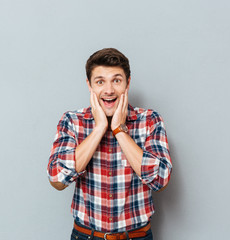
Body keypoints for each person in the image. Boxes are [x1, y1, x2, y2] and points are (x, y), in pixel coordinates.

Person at [47, 48, 172, 240]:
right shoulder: (72, 121)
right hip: (86, 236)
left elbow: (160, 180)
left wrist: (119, 130)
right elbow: (57, 179)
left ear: (127, 83)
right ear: (89, 85)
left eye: (116, 80)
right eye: (100, 82)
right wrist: (99, 129)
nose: (108, 90)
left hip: (136, 236)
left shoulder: (149, 120)